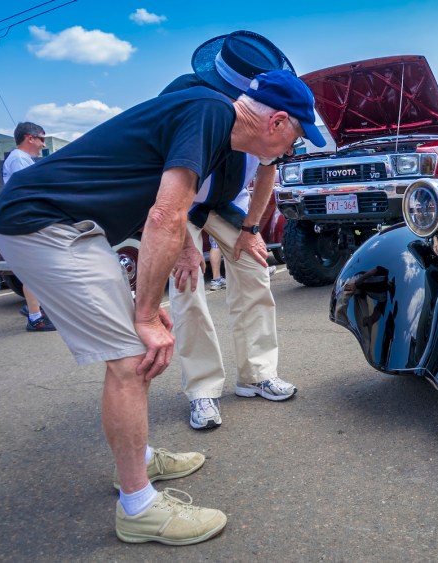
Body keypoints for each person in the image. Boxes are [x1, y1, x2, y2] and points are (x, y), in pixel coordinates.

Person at [0, 66, 325, 545]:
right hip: (41, 222)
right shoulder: (210, 113)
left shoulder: (208, 117)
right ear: (275, 123)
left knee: (135, 352)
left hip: (71, 225)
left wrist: (156, 289)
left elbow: (173, 208)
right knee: (130, 357)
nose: (292, 149)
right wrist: (144, 312)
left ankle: (138, 455)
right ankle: (138, 507)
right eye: (296, 136)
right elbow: (165, 214)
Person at [161, 31, 308, 431]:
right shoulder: (188, 99)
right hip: (179, 203)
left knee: (255, 271)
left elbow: (267, 168)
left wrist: (251, 228)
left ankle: (257, 375)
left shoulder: (265, 112)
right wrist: (182, 245)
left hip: (226, 205)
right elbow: (161, 176)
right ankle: (202, 390)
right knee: (188, 285)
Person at [1, 122, 56, 332]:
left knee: (41, 269)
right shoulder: (18, 159)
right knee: (34, 271)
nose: (43, 144)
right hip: (25, 219)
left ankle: (34, 309)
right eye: (42, 138)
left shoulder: (23, 159)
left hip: (28, 218)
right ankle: (35, 318)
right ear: (29, 138)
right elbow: (28, 191)